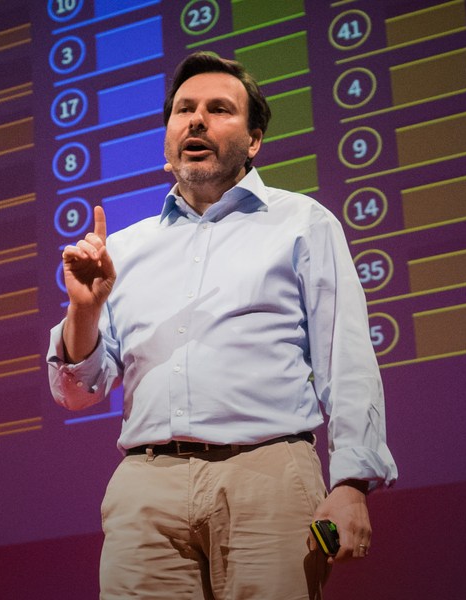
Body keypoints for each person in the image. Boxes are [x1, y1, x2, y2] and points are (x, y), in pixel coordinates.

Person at [47, 51, 397, 599]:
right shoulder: (124, 250)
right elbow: (77, 392)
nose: (197, 120)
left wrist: (353, 482)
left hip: (268, 476)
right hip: (146, 487)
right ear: (167, 137)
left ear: (253, 140)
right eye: (184, 109)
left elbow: (346, 359)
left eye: (219, 109)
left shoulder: (302, 223)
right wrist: (84, 309)